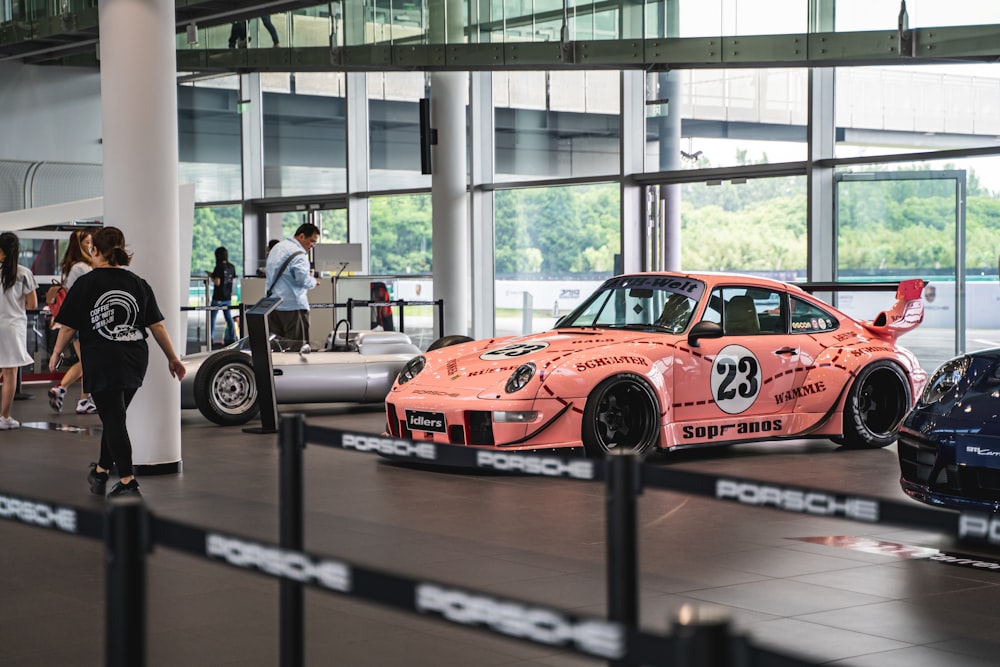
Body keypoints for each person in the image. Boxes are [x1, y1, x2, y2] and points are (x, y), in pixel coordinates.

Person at [47, 227, 186, 499]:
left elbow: (67, 327)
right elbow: (156, 325)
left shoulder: (86, 283)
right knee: (115, 418)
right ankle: (100, 472)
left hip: (102, 358)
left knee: (113, 418)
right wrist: (172, 358)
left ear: (93, 250)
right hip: (135, 358)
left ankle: (127, 480)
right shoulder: (137, 282)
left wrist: (56, 354)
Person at [48, 229, 96, 414]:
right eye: (87, 243)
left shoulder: (72, 267)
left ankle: (63, 390)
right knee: (88, 361)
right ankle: (83, 400)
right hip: (83, 320)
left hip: (76, 319)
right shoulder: (82, 267)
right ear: (79, 245)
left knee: (86, 361)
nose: (90, 246)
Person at [0, 232, 38, 430]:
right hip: (12, 327)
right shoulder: (22, 273)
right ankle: (4, 417)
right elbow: (32, 304)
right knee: (10, 373)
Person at [264, 223, 319, 347]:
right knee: (297, 349)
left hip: (273, 306)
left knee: (276, 349)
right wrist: (314, 282)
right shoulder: (299, 255)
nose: (312, 246)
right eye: (311, 241)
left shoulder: (277, 248)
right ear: (301, 236)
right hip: (293, 308)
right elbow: (302, 280)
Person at [209, 246, 237, 345]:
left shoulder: (218, 267)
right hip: (227, 297)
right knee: (229, 318)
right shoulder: (232, 267)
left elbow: (217, 282)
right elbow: (232, 281)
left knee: (212, 318)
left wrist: (212, 277)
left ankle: (210, 338)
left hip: (218, 297)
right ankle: (233, 337)